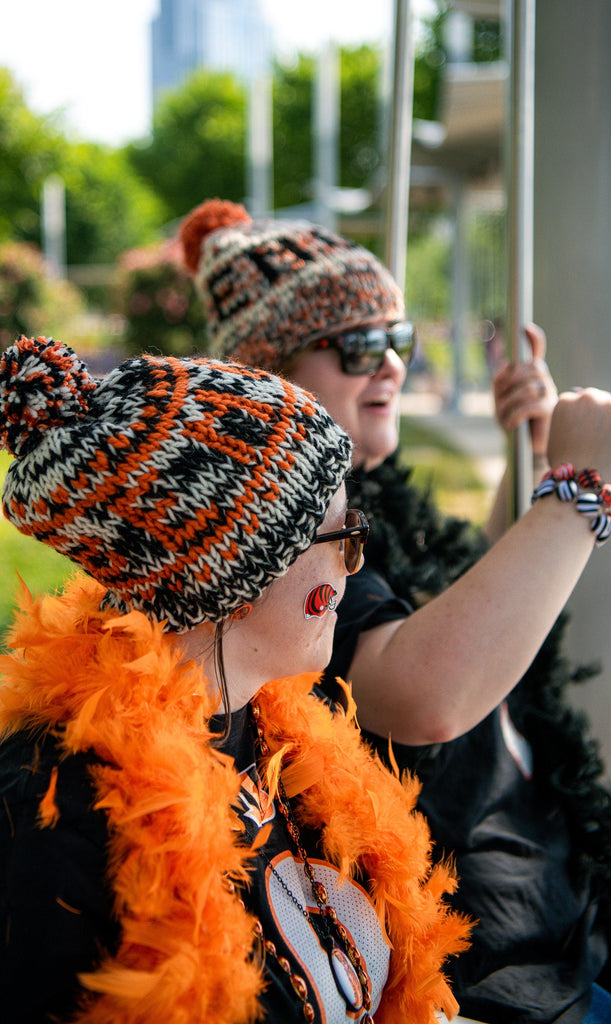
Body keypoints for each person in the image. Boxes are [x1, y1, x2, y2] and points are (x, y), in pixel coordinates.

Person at [0, 335, 472, 1024]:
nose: (354, 566)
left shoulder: (274, 726)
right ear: (231, 581)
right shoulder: (46, 825)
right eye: (341, 537)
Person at [179, 198, 611, 1024]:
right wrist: (574, 495)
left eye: (397, 340)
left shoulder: (369, 505)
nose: (390, 367)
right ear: (268, 374)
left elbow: (459, 599)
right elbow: (420, 694)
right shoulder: (286, 535)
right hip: (479, 973)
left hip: (558, 921)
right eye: (356, 344)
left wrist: (525, 453)